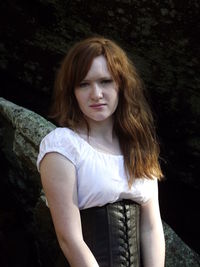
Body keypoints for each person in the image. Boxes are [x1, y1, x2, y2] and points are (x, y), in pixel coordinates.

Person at [36, 36, 165, 267]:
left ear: (121, 84)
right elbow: (70, 239)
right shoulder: (61, 146)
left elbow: (151, 227)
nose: (96, 94)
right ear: (72, 92)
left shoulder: (139, 145)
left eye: (105, 81)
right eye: (84, 84)